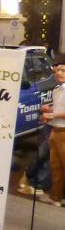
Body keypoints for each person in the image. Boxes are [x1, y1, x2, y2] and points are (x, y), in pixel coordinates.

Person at [38, 58, 65, 207]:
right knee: (56, 167)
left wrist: (52, 115)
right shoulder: (57, 89)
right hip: (55, 131)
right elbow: (59, 109)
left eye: (63, 70)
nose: (59, 73)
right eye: (57, 71)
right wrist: (48, 110)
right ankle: (56, 197)